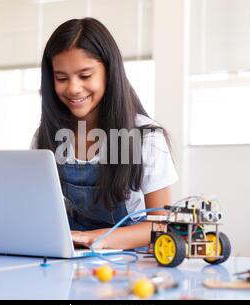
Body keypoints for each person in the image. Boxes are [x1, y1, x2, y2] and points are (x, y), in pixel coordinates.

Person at [30, 17, 178, 250]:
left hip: (129, 262)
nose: (73, 88)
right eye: (61, 78)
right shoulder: (46, 136)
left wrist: (95, 238)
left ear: (109, 72)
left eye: (85, 76)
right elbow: (39, 213)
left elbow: (162, 225)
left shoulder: (146, 137)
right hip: (71, 257)